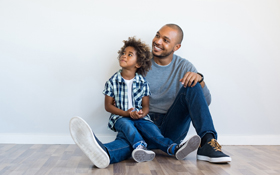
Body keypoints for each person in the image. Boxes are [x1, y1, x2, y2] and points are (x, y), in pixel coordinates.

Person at [70, 24, 232, 169]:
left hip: (171, 126)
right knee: (133, 142)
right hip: (142, 122)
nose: (158, 41)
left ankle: (208, 144)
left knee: (193, 83)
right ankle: (104, 152)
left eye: (165, 40)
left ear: (176, 47)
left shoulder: (184, 66)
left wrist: (200, 80)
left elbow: (205, 102)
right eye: (157, 35)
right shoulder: (140, 63)